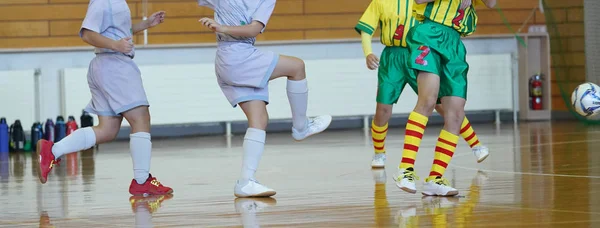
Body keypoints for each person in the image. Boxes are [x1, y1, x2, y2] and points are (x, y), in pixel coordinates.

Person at [35, 0, 173, 196]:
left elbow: (114, 31)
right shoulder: (103, 1)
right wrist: (116, 45)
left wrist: (145, 25)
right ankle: (141, 181)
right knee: (141, 118)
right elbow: (87, 33)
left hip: (106, 65)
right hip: (115, 66)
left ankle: (53, 150)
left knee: (107, 130)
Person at [197, 0, 332, 198]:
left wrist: (221, 26)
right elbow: (252, 30)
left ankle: (245, 182)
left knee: (258, 120)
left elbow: (253, 29)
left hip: (230, 60)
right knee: (297, 67)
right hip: (238, 58)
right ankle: (301, 127)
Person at [355, 0, 490, 169]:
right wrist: (368, 53)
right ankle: (379, 153)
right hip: (393, 57)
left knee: (442, 105)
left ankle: (476, 145)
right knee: (382, 109)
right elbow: (366, 29)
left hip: (421, 50)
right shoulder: (381, 2)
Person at [395, 0, 496, 196]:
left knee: (456, 114)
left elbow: (492, 3)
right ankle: (405, 170)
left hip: (454, 42)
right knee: (428, 100)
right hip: (430, 32)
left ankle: (435, 178)